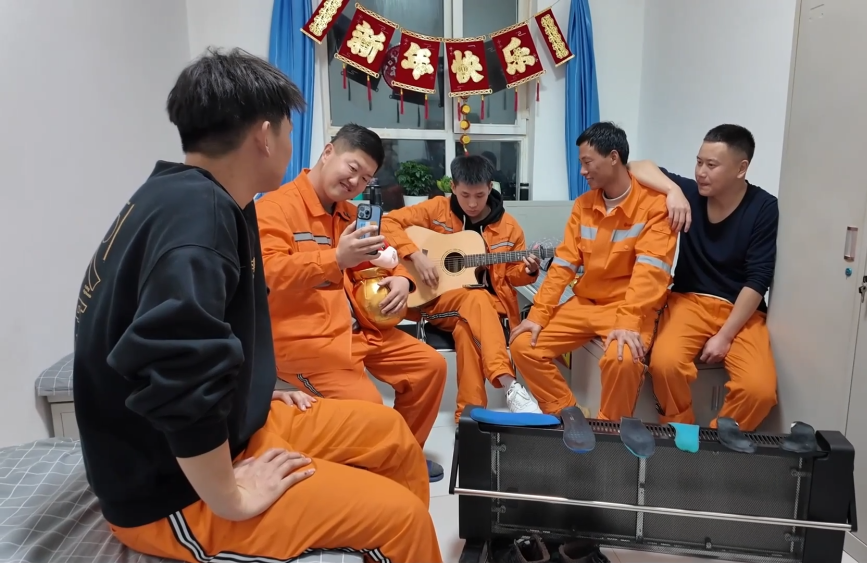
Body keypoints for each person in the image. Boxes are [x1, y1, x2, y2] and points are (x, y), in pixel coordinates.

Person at [71, 48, 442, 563]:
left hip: (241, 424)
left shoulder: (198, 198)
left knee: (392, 435)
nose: (291, 145)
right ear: (265, 136)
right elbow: (179, 376)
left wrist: (256, 390)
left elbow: (201, 332)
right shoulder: (200, 223)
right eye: (289, 131)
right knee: (402, 521)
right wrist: (232, 496)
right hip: (174, 487)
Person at [255, 123, 448, 481]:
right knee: (369, 409)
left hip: (359, 331)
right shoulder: (274, 208)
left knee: (430, 367)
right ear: (328, 153)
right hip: (307, 341)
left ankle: (402, 454)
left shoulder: (349, 212)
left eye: (366, 178)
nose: (355, 182)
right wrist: (336, 259)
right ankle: (379, 465)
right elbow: (268, 273)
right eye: (353, 168)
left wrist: (401, 279)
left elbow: (382, 255)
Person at [508, 122, 678, 420]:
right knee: (523, 345)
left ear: (613, 157)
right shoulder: (583, 205)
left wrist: (628, 322)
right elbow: (563, 265)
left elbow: (650, 274)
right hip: (586, 304)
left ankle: (608, 431)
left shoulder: (655, 207)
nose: (582, 171)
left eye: (587, 162)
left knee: (623, 360)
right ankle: (569, 414)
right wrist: (537, 316)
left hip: (628, 308)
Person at [629, 124, 779, 431]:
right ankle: (680, 430)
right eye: (698, 162)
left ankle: (716, 441)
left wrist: (725, 336)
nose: (701, 172)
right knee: (665, 364)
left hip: (741, 310)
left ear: (741, 168)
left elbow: (759, 278)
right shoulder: (691, 194)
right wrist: (673, 191)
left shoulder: (763, 207)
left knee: (759, 390)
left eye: (711, 165)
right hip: (689, 301)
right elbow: (635, 166)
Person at [383, 154, 544, 421]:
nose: (472, 203)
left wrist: (528, 271)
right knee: (476, 298)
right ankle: (509, 384)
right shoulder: (437, 209)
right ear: (453, 187)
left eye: (479, 195)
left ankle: (467, 418)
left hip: (489, 310)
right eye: (465, 194)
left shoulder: (509, 227)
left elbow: (512, 276)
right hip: (437, 301)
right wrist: (415, 255)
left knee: (466, 329)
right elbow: (388, 222)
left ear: (490, 188)